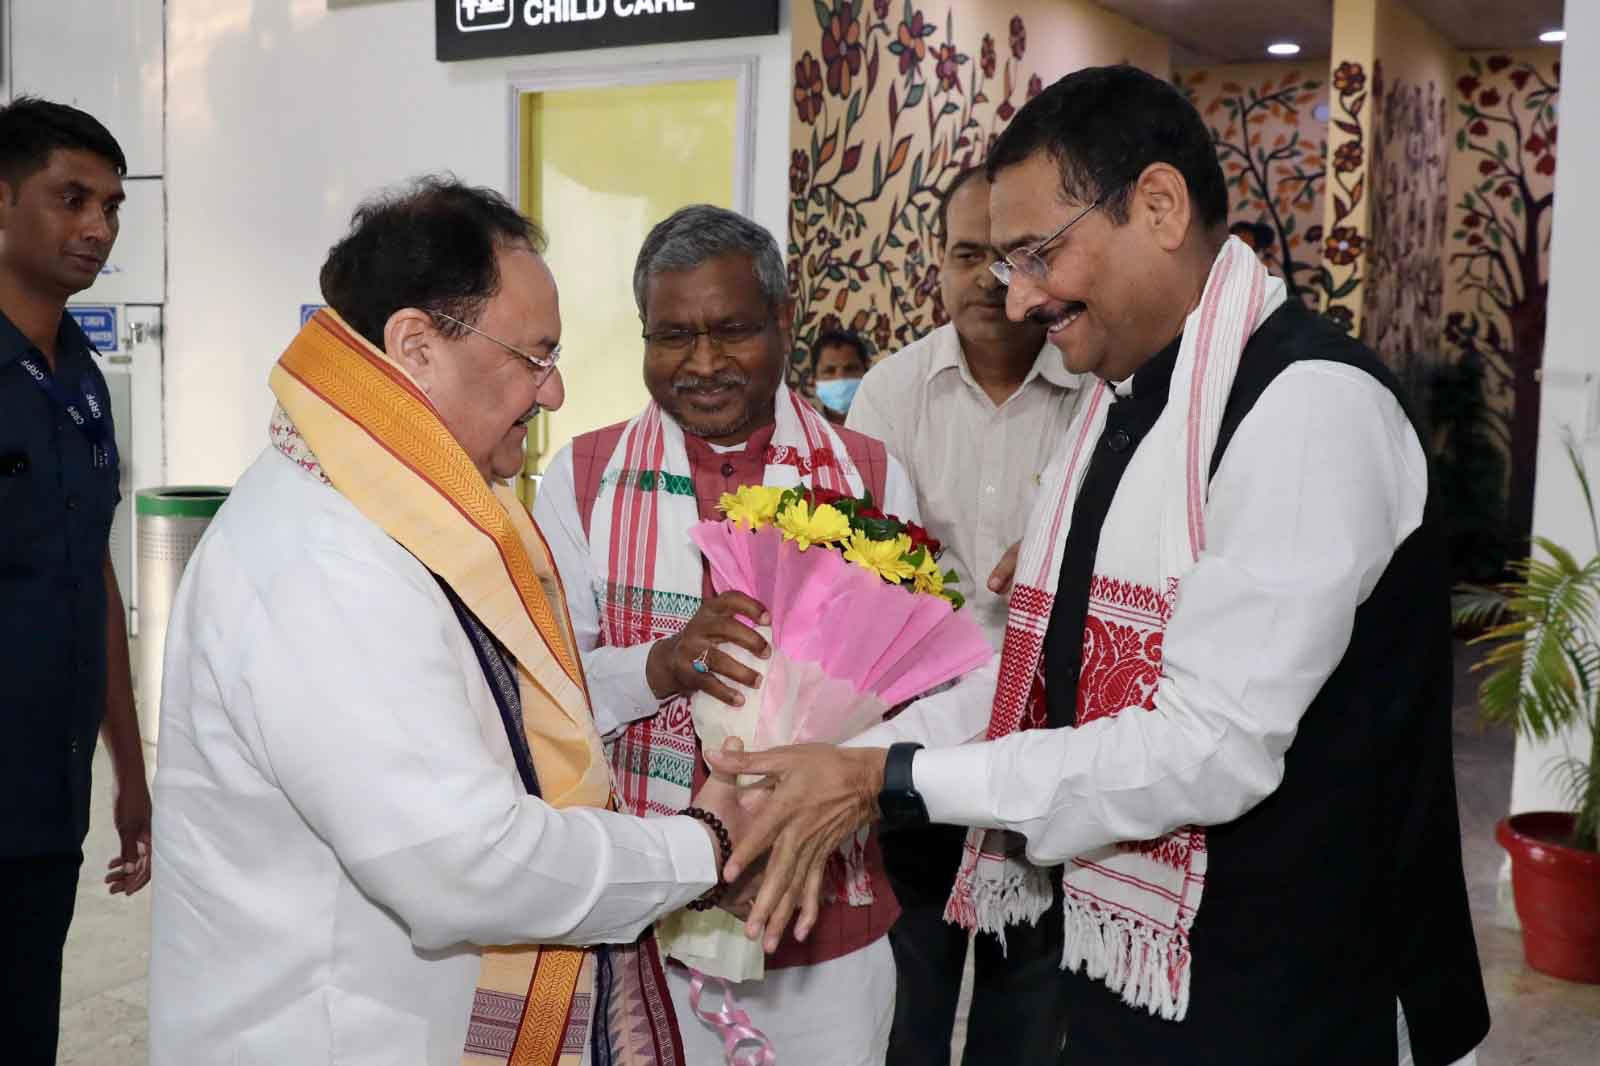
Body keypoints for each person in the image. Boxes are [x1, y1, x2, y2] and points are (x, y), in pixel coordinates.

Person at [711, 66, 1490, 1066]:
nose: (1020, 296)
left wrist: (891, 780)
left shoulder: (1307, 409)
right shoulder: (1121, 409)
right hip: (1138, 971)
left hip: (1296, 987)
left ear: (1157, 206)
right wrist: (839, 753)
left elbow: (1208, 746)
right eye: (1001, 264)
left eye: (1038, 254)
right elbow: (1039, 668)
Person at [149, 178, 754, 1066]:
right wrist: (702, 845)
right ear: (416, 347)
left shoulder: (391, 501)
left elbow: (493, 698)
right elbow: (465, 865)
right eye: (535, 357)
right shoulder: (327, 562)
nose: (553, 395)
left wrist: (651, 672)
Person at [533, 204, 919, 1064]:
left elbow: (921, 691)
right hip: (645, 915)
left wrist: (801, 804)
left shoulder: (870, 477)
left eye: (732, 331)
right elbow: (547, 696)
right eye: (671, 337)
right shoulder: (585, 478)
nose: (702, 364)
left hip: (830, 926)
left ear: (784, 322)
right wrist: (663, 665)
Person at [844, 165, 1085, 1065]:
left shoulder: (1095, 390)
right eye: (965, 254)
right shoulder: (889, 393)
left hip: (1045, 737)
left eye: (1012, 254)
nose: (988, 276)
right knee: (910, 992)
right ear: (936, 267)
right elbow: (855, 574)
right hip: (916, 744)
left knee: (1027, 998)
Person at [0, 96, 150, 1066]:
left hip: (47, 804)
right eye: (70, 199)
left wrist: (130, 772)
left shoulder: (83, 377)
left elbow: (92, 571)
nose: (96, 227)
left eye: (110, 205)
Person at [810, 327, 870, 424]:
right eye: (829, 371)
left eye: (850, 369)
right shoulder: (804, 430)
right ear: (814, 380)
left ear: (866, 373)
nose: (840, 378)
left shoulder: (887, 426)